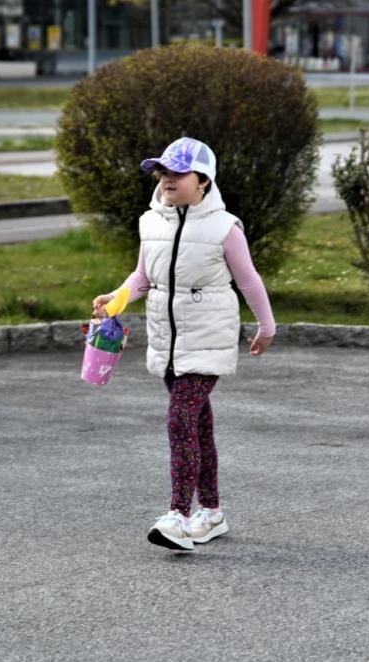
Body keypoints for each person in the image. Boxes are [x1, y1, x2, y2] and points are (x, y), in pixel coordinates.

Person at [91, 137, 276, 552]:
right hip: (168, 342)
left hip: (207, 340)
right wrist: (116, 299)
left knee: (179, 420)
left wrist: (267, 327)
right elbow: (143, 277)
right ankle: (211, 513)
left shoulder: (224, 228)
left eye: (178, 173)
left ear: (204, 181)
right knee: (197, 426)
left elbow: (249, 281)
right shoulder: (150, 222)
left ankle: (178, 515)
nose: (167, 180)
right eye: (163, 172)